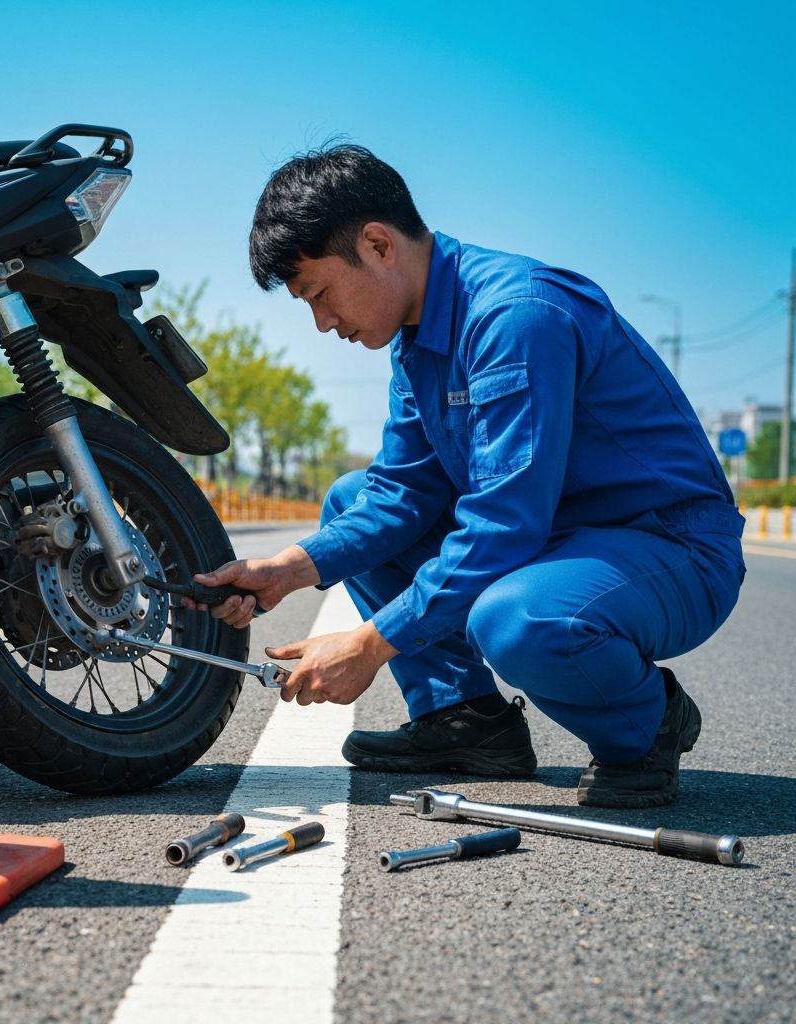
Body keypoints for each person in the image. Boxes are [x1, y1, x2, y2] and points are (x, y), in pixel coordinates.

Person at [192, 143, 745, 808]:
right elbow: (402, 494)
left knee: (518, 618)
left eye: (320, 293)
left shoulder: (516, 317)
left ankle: (647, 725)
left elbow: (505, 527)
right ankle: (463, 722)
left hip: (666, 549)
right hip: (556, 543)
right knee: (350, 500)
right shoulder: (417, 342)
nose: (323, 323)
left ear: (377, 245)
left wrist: (369, 646)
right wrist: (287, 570)